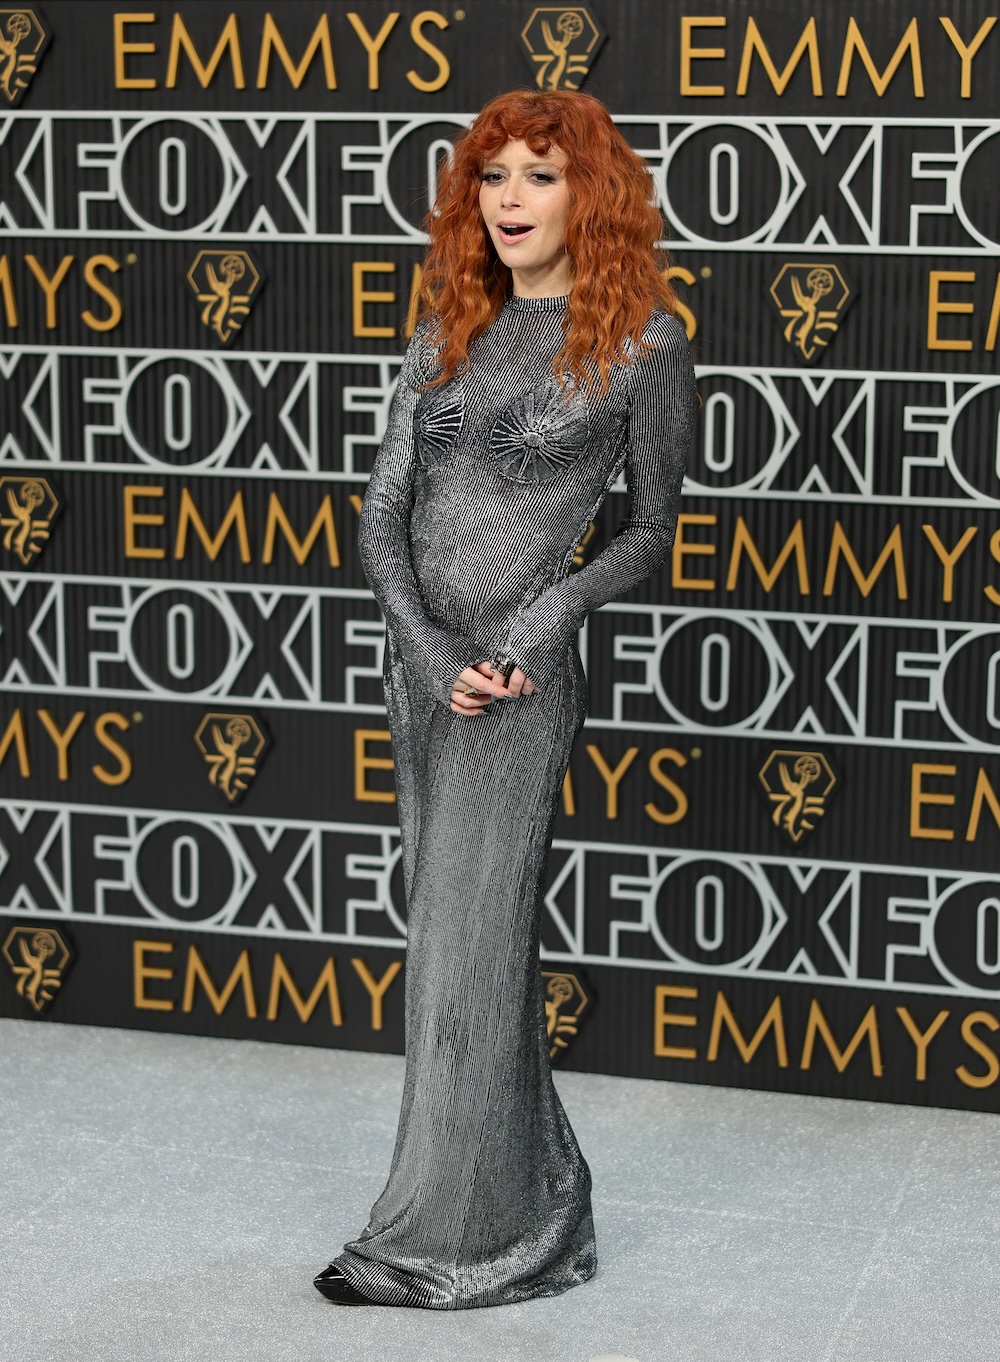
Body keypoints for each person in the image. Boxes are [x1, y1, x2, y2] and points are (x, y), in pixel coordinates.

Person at [313, 87, 696, 1311]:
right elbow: (380, 519)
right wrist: (425, 650)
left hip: (521, 686)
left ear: (591, 194)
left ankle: (449, 1243)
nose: (512, 200)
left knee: (472, 950)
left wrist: (542, 621)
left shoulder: (643, 343)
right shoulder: (447, 327)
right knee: (446, 949)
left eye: (539, 175)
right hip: (425, 674)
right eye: (493, 178)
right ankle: (532, 1208)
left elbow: (652, 532)